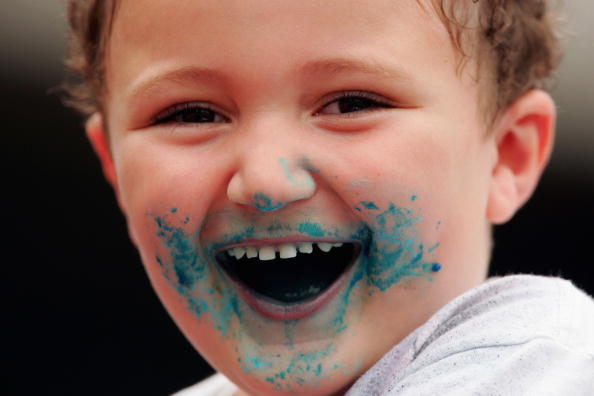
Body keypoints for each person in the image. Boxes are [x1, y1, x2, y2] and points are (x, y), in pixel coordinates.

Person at [63, 0, 594, 395]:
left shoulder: (538, 367)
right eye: (191, 115)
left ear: (506, 156)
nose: (266, 181)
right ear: (114, 169)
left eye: (350, 103)